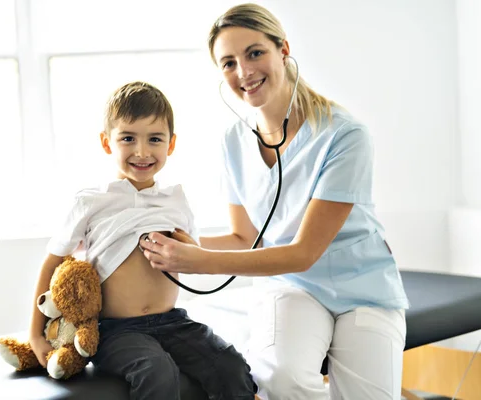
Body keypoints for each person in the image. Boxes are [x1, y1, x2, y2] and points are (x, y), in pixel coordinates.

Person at [139, 4, 410, 400]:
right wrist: (181, 244)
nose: (243, 72)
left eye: (254, 53)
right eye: (228, 62)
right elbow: (242, 237)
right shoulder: (233, 141)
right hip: (292, 288)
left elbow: (303, 253)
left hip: (364, 289)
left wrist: (200, 262)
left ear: (283, 49)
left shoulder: (344, 135)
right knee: (281, 381)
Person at [28, 81, 257, 400]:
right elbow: (52, 262)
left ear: (171, 144)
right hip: (117, 331)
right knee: (156, 371)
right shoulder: (93, 203)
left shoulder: (175, 201)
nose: (142, 151)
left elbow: (193, 257)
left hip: (173, 322)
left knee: (230, 365)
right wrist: (35, 333)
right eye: (128, 139)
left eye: (154, 139)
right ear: (107, 143)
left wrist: (191, 251)